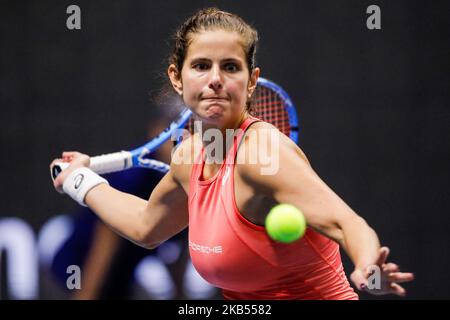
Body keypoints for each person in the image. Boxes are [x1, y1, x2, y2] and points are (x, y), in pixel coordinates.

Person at [51, 7, 414, 299]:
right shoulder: (188, 155)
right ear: (178, 78)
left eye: (230, 67)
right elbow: (146, 225)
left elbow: (346, 223)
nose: (215, 79)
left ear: (252, 79)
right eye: (201, 66)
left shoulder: (264, 154)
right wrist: (80, 181)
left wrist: (368, 268)